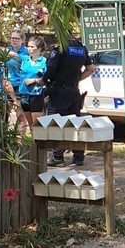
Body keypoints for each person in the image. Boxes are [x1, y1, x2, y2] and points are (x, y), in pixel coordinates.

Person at [44, 33, 95, 167]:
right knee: (75, 125)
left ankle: (57, 157)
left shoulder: (60, 48)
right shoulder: (81, 49)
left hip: (59, 92)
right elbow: (90, 69)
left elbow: (50, 71)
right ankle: (78, 157)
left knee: (56, 124)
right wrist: (77, 79)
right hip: (74, 91)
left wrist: (42, 81)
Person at [15, 36, 47, 129]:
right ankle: (33, 142)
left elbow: (47, 79)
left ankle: (39, 143)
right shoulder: (25, 59)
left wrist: (34, 80)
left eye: (32, 47)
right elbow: (12, 54)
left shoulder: (44, 62)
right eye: (28, 46)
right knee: (30, 125)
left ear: (39, 48)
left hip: (36, 94)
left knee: (37, 124)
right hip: (24, 93)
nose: (29, 49)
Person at [6, 30, 29, 135]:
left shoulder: (26, 52)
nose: (14, 40)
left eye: (17, 38)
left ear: (23, 40)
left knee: (20, 115)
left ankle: (20, 141)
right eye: (12, 38)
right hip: (7, 85)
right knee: (5, 115)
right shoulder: (6, 51)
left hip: (20, 86)